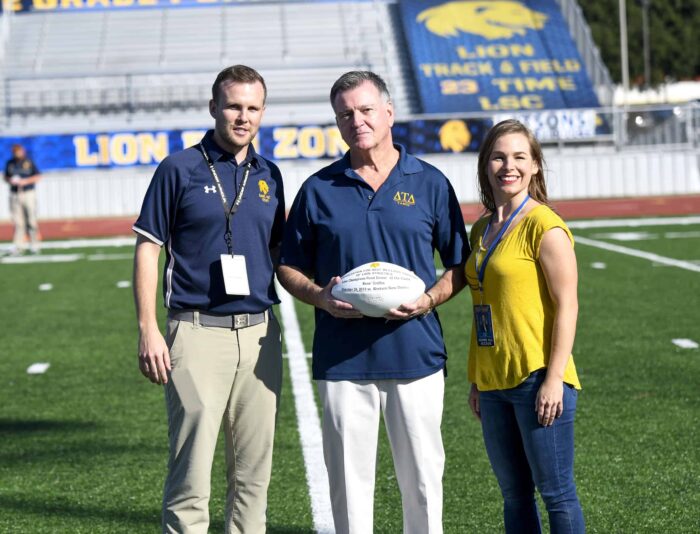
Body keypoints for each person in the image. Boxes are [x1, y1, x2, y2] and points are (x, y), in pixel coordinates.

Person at [278, 70, 469, 534]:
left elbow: (460, 266)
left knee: (423, 483)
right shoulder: (318, 189)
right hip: (343, 361)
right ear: (337, 123)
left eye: (365, 110)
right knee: (348, 489)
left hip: (416, 356)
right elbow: (287, 267)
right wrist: (320, 297)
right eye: (345, 114)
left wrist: (428, 299)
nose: (356, 120)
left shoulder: (429, 182)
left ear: (388, 113)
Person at [132, 65, 285, 534]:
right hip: (195, 333)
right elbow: (147, 247)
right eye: (234, 106)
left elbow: (282, 254)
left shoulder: (270, 174)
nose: (243, 117)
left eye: (253, 108)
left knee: (253, 477)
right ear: (214, 107)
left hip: (259, 334)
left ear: (263, 113)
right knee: (191, 477)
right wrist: (148, 328)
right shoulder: (177, 168)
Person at [466, 119, 585, 533]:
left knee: (556, 493)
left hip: (537, 379)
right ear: (486, 165)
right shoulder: (481, 229)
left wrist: (554, 379)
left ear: (535, 165)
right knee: (514, 496)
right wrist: (478, 379)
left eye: (519, 157)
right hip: (495, 381)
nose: (508, 166)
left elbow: (567, 306)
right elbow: (486, 305)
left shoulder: (544, 226)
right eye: (499, 156)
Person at [4, 144, 41, 255]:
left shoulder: (29, 162)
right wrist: (11, 180)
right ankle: (19, 246)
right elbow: (6, 176)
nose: (17, 154)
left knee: (31, 220)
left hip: (28, 193)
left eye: (18, 151)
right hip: (15, 193)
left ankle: (35, 245)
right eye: (15, 152)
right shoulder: (10, 163)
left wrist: (25, 181)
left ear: (22, 151)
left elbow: (37, 176)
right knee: (18, 222)